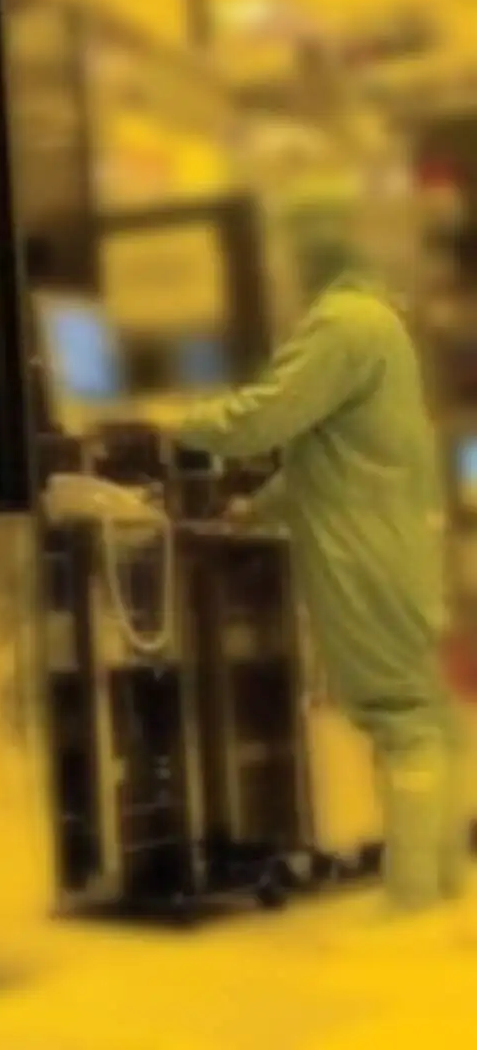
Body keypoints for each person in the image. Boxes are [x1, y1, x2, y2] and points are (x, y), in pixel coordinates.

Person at [153, 178, 464, 928]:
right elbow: (328, 458)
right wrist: (253, 508)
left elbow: (264, 418)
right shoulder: (379, 325)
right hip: (394, 543)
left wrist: (174, 419)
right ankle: (441, 881)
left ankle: (415, 898)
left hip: (362, 553)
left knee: (400, 717)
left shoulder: (341, 325)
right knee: (425, 716)